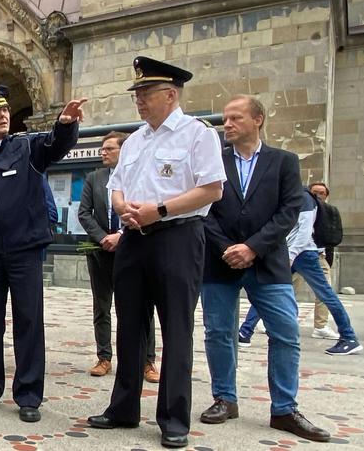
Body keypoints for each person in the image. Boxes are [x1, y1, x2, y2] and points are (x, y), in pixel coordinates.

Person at [87, 57, 224, 450]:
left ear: (170, 94)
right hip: (134, 238)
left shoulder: (198, 135)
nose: (139, 101)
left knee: (176, 328)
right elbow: (116, 186)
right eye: (138, 94)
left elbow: (212, 189)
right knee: (129, 324)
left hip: (177, 238)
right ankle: (123, 408)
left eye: (146, 94)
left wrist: (159, 210)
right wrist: (121, 206)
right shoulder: (134, 140)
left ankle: (173, 418)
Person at [0, 83, 85, 423]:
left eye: (6, 109)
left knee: (28, 321)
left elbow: (54, 146)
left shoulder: (26, 148)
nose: (4, 114)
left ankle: (28, 395)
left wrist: (66, 124)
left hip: (25, 250)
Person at [200, 95, 330, 442]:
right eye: (225, 118)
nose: (226, 124)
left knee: (286, 333)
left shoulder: (283, 161)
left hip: (268, 263)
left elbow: (289, 211)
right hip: (219, 261)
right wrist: (227, 248)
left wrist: (253, 248)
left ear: (257, 119)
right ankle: (224, 399)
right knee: (218, 332)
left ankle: (284, 409)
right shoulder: (214, 160)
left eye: (235, 118)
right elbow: (204, 210)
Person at [238, 188, 364, 356]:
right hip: (296, 253)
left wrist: (290, 255)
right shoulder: (296, 195)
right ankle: (245, 333)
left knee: (325, 294)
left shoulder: (303, 197)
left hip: (303, 254)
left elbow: (304, 230)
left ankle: (349, 337)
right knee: (268, 290)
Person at [77, 131, 160, 382]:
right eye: (102, 148)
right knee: (101, 307)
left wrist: (122, 236)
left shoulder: (140, 175)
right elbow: (84, 213)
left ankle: (147, 361)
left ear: (124, 151)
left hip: (133, 248)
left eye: (109, 149)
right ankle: (104, 357)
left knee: (141, 306)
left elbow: (147, 209)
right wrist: (103, 237)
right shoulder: (94, 178)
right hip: (101, 253)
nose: (103, 152)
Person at [306, 181, 342, 340]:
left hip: (318, 257)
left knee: (325, 292)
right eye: (315, 192)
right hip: (298, 254)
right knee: (281, 288)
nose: (319, 195)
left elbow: (332, 237)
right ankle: (257, 323)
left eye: (322, 193)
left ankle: (320, 326)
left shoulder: (329, 212)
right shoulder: (303, 208)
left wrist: (328, 260)